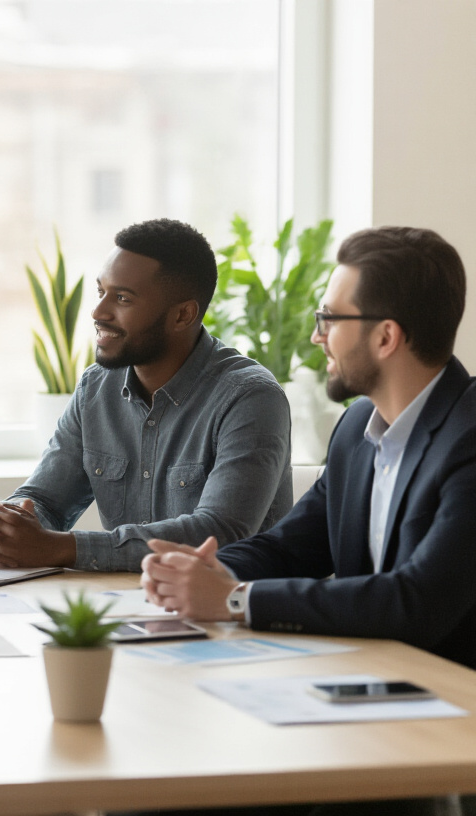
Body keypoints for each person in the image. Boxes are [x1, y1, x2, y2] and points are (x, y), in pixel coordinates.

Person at [135, 228, 475, 816]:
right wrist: (204, 569)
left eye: (330, 318)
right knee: (160, 776)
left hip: (441, 722)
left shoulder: (470, 439)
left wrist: (236, 600)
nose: (317, 335)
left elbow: (418, 602)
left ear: (387, 336)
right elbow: (294, 545)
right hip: (361, 691)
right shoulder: (357, 428)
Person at [0, 218, 292, 573]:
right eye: (100, 292)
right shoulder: (97, 388)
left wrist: (63, 548)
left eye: (122, 298)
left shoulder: (250, 398)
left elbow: (219, 532)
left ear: (183, 314)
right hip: (126, 604)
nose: (98, 312)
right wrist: (8, 526)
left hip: (230, 614)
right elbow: (46, 499)